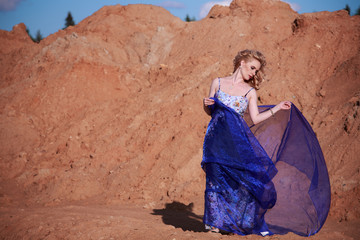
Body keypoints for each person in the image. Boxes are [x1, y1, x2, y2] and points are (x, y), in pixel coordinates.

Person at [201, 49, 330, 236]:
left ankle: (231, 222)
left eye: (256, 71)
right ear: (242, 62)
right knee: (214, 179)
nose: (253, 73)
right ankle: (213, 224)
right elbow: (210, 111)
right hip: (214, 139)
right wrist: (206, 105)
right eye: (252, 68)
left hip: (235, 142)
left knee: (236, 181)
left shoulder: (250, 92)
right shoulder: (218, 82)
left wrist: (277, 108)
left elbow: (254, 118)